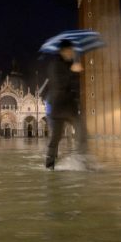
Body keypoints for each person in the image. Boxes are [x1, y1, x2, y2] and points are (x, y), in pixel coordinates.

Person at [45, 39, 87, 169]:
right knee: (56, 138)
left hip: (70, 106)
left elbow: (74, 86)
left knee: (82, 131)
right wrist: (73, 71)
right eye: (70, 50)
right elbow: (60, 83)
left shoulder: (71, 63)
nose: (72, 52)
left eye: (73, 50)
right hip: (58, 107)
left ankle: (82, 160)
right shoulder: (55, 64)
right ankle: (49, 166)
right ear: (63, 51)